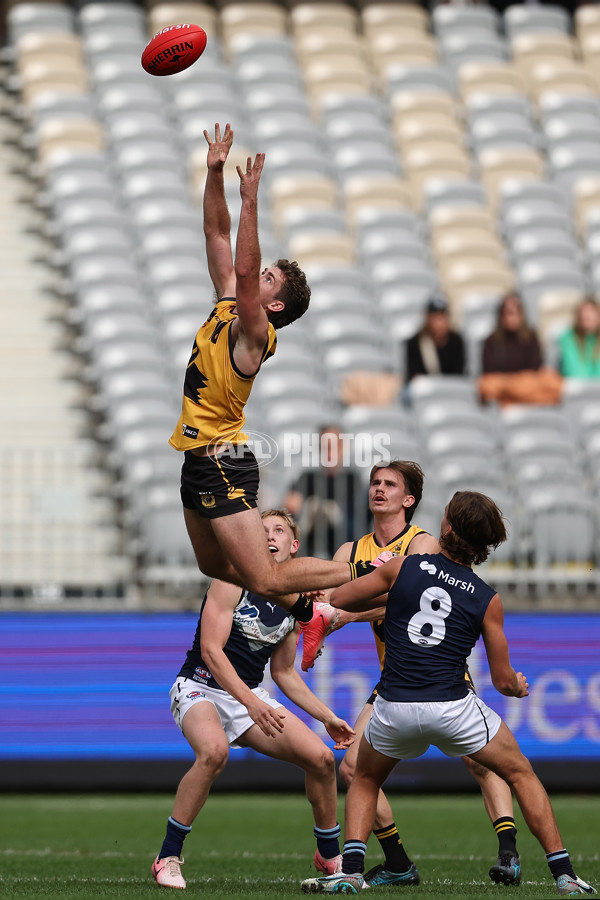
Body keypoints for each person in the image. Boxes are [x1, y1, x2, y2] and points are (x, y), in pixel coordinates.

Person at [301, 491, 596, 897]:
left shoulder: (405, 567)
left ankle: (351, 872)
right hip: (454, 708)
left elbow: (340, 598)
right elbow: (503, 680)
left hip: (394, 708)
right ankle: (564, 875)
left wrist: (376, 581)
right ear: (486, 545)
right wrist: (519, 686)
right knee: (521, 773)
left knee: (365, 778)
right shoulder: (487, 599)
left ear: (446, 529)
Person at [167, 123, 372, 627]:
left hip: (223, 459)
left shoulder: (255, 334)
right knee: (213, 564)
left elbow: (240, 266)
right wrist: (214, 172)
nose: (257, 278)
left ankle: (368, 569)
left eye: (268, 279)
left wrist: (250, 199)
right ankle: (309, 611)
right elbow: (215, 233)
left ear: (274, 303)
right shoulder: (230, 306)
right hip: (199, 459)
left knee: (265, 579)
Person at [300, 461, 522, 888]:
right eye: (375, 483)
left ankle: (508, 851)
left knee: (480, 763)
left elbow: (415, 602)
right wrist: (313, 606)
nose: (379, 489)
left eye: (390, 484)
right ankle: (398, 861)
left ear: (409, 500)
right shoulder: (350, 552)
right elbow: (327, 599)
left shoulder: (421, 545)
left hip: (440, 672)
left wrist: (345, 614)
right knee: (351, 770)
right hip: (394, 678)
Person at [151, 509, 355, 890]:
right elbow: (211, 651)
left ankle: (328, 856)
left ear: (293, 546)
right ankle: (168, 856)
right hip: (200, 686)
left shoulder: (295, 602)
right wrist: (252, 703)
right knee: (214, 753)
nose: (269, 536)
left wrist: (326, 716)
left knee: (322, 759)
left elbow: (284, 673)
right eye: (261, 530)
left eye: (278, 530)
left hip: (247, 698)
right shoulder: (232, 577)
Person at [284, 425, 366, 558]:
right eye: (326, 446)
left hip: (343, 546)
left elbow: (359, 518)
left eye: (334, 446)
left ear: (342, 447)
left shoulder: (353, 479)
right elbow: (290, 505)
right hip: (309, 546)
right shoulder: (306, 478)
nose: (330, 451)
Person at [478, 293, 562, 406]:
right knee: (485, 385)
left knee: (551, 380)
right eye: (508, 313)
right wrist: (514, 384)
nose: (512, 317)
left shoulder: (532, 337)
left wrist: (514, 385)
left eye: (516, 312)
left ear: (522, 314)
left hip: (524, 386)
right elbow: (489, 375)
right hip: (504, 387)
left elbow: (536, 369)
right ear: (501, 315)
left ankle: (513, 400)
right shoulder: (491, 341)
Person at [405, 293, 466, 382]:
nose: (439, 323)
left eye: (443, 317)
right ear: (428, 318)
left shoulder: (456, 342)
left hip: (451, 391)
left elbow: (459, 375)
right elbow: (414, 377)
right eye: (436, 318)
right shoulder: (415, 343)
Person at [558, 297, 600, 378]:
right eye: (583, 311)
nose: (585, 314)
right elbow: (572, 370)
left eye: (591, 311)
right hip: (575, 387)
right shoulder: (568, 339)